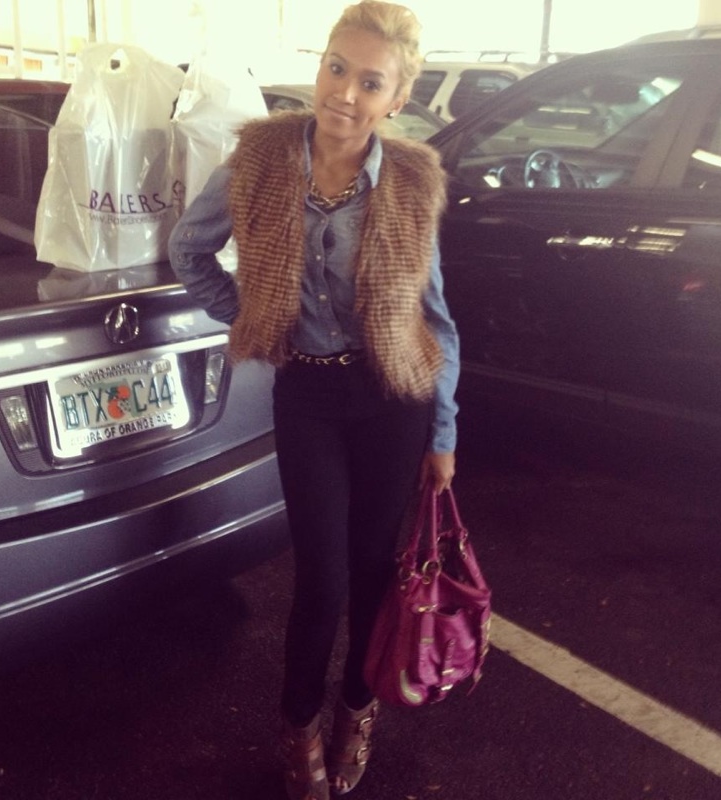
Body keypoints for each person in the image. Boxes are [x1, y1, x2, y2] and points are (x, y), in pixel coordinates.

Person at [168, 2, 459, 797]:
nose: (345, 94)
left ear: (397, 97)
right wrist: (255, 316)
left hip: (393, 396)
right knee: (322, 579)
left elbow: (434, 318)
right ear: (321, 64)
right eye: (337, 69)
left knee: (374, 573)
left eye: (371, 83)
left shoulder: (410, 180)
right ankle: (298, 724)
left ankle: (356, 710)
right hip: (308, 393)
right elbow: (190, 249)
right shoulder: (261, 159)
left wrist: (443, 431)